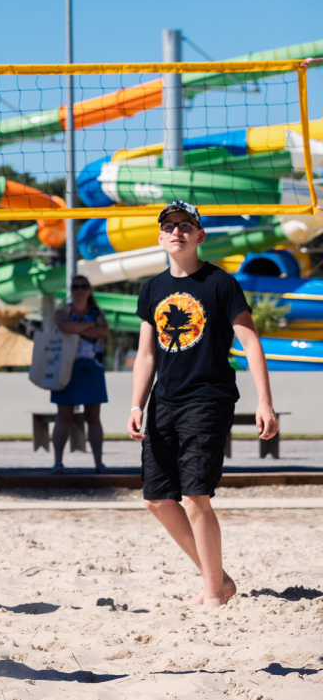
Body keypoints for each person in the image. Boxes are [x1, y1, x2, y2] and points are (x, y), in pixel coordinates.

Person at [128, 200, 278, 611]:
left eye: (185, 225)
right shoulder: (152, 289)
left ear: (199, 235)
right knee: (157, 499)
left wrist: (265, 401)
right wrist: (137, 403)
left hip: (207, 399)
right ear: (161, 237)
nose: (177, 231)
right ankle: (220, 580)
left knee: (195, 496)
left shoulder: (220, 284)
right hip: (163, 402)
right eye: (170, 226)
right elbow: (146, 355)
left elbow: (250, 343)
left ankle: (213, 593)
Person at [51, 276, 110, 473]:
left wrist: (77, 327)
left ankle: (98, 462)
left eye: (84, 286)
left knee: (93, 416)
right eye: (75, 286)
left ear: (89, 290)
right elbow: (65, 327)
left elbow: (104, 332)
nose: (79, 290)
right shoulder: (64, 311)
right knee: (64, 415)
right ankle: (58, 462)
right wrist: (89, 326)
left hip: (92, 367)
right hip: (67, 368)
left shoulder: (96, 311)